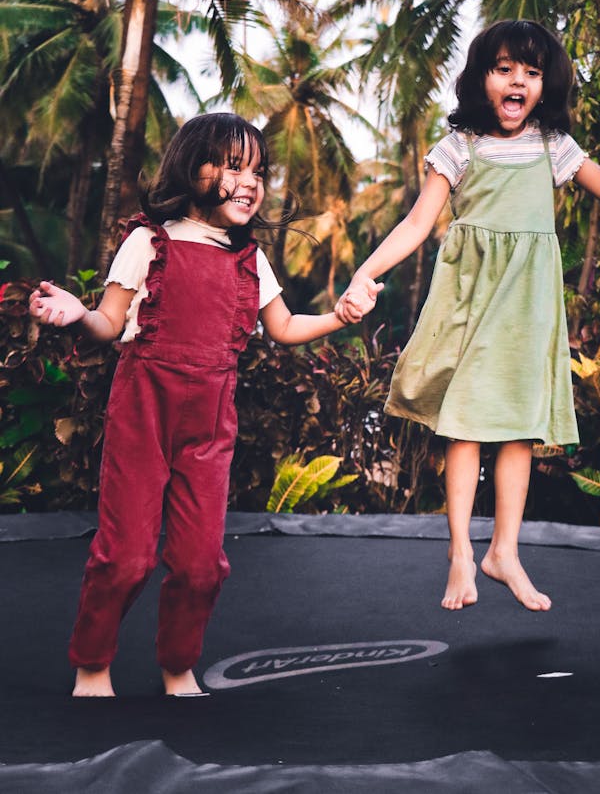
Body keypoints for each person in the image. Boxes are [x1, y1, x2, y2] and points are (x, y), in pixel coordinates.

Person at [29, 112, 374, 698]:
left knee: (200, 563)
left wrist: (337, 317)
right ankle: (93, 664)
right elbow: (110, 324)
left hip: (211, 421)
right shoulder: (148, 242)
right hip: (144, 408)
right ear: (193, 168)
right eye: (234, 166)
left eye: (259, 171)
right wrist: (75, 313)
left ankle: (178, 665)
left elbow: (284, 326)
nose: (251, 181)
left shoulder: (250, 259)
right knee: (127, 555)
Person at [336, 20, 600, 613]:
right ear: (481, 78)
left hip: (527, 304)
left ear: (546, 84)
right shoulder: (459, 146)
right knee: (465, 421)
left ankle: (504, 551)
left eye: (532, 73)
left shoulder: (552, 145)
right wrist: (367, 271)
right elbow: (417, 223)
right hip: (469, 299)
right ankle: (462, 550)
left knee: (518, 426)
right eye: (505, 69)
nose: (519, 81)